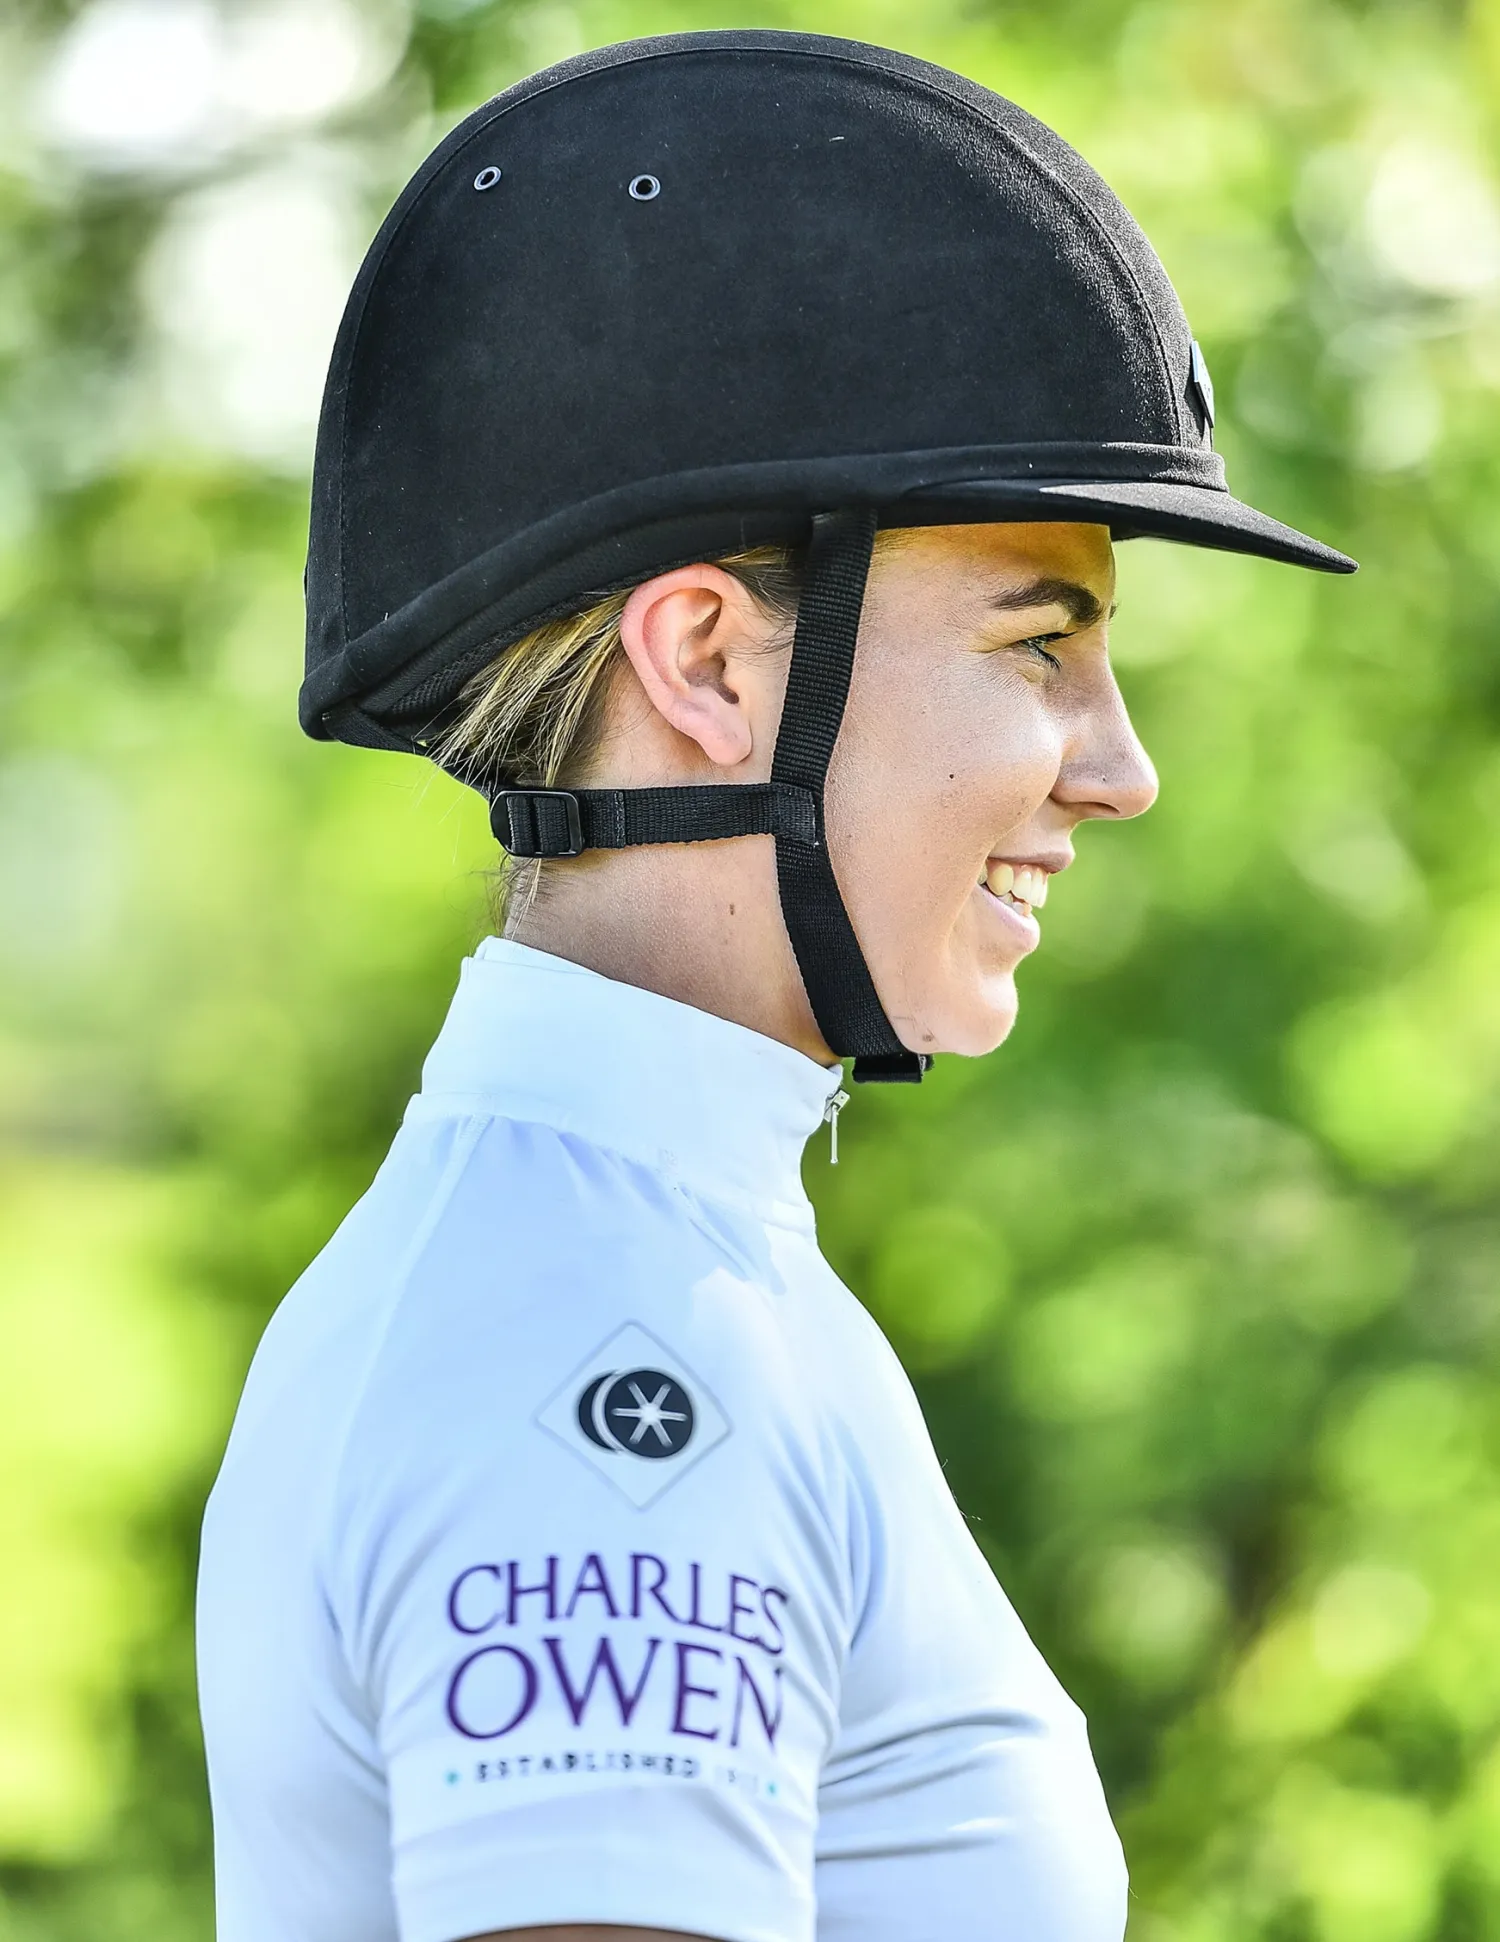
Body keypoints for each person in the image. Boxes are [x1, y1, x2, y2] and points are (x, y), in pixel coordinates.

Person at [196, 29, 1354, 1942]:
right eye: (1040, 641)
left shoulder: (644, 1261)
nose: (1121, 766)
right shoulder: (606, 1356)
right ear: (713, 666)